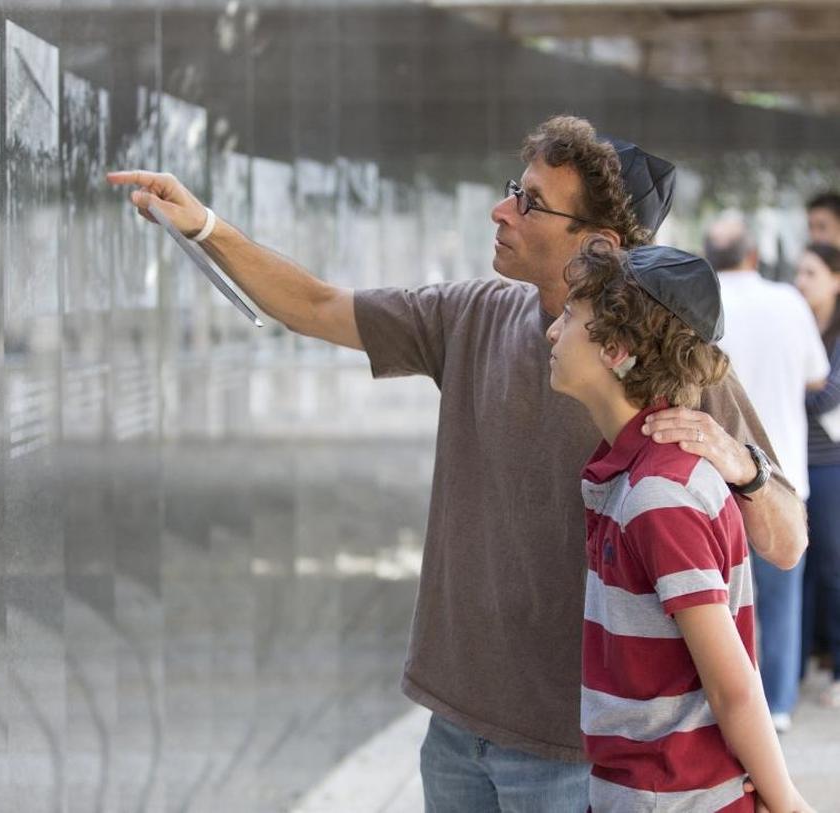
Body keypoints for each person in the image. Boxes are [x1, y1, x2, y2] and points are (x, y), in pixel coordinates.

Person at [109, 116, 808, 810]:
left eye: (531, 201)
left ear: (596, 244)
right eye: (514, 188)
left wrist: (744, 466)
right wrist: (206, 227)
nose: (501, 210)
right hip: (455, 732)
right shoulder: (470, 314)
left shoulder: (671, 369)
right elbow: (318, 305)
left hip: (576, 757)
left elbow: (785, 541)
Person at [547, 238, 812, 812]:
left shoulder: (660, 494)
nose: (553, 331)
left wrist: (788, 802)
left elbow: (732, 687)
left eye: (570, 316)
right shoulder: (636, 474)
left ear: (615, 348)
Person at [704, 214, 830, 733]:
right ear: (754, 255)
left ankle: (733, 706)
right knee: (780, 600)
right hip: (782, 476)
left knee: (719, 602)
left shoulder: (699, 304)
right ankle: (775, 706)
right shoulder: (788, 302)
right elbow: (818, 376)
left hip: (712, 478)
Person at [794, 242, 840, 709]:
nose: (800, 281)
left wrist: (790, 386)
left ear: (836, 279)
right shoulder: (795, 323)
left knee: (831, 566)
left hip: (831, 465)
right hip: (793, 460)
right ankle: (800, 662)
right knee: (797, 566)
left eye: (810, 272)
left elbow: (828, 397)